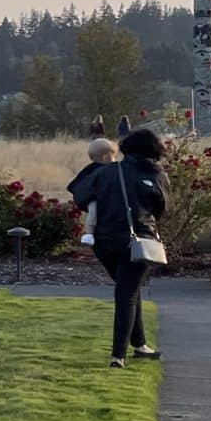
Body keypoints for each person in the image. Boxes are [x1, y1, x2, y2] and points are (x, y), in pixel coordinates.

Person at [69, 126, 166, 368]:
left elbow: (80, 195)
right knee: (127, 294)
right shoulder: (156, 175)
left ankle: (140, 344)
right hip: (139, 241)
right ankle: (118, 355)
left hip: (104, 242)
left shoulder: (106, 172)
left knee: (129, 290)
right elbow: (161, 208)